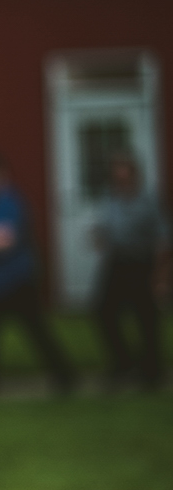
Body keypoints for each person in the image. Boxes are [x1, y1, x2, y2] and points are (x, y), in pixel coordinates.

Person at [0, 151, 77, 395]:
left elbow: (5, 240)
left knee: (36, 330)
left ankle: (65, 376)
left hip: (16, 279)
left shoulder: (10, 201)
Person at [93, 152, 170, 391]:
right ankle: (123, 362)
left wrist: (160, 275)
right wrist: (99, 237)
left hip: (141, 262)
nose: (120, 179)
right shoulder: (111, 199)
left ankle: (151, 370)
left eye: (124, 174)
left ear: (134, 175)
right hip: (117, 262)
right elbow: (105, 228)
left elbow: (162, 239)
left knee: (146, 316)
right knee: (103, 311)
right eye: (116, 174)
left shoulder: (148, 201)